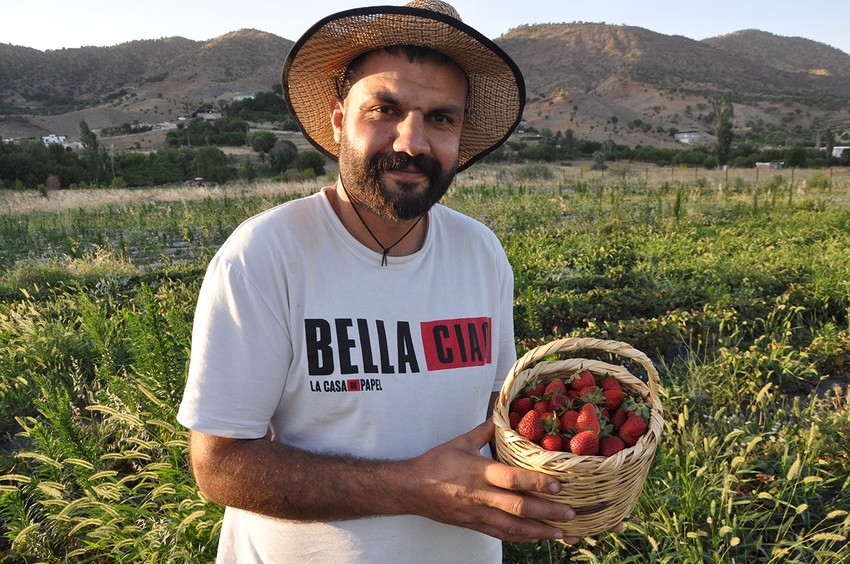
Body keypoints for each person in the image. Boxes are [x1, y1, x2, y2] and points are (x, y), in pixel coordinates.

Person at [177, 1, 593, 561]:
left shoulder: (480, 253)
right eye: (385, 109)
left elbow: (496, 412)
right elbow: (219, 466)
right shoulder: (265, 255)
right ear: (337, 117)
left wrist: (567, 474)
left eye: (441, 118)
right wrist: (413, 488)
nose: (412, 142)